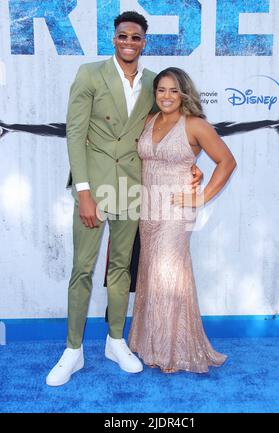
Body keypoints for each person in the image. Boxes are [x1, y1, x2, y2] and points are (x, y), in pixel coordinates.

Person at [46, 12, 202, 386]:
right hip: (95, 188)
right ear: (113, 39)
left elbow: (172, 126)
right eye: (122, 35)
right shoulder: (89, 74)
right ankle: (73, 350)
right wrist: (83, 191)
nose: (129, 41)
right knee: (82, 269)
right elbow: (75, 134)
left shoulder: (153, 83)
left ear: (144, 41)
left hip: (134, 188)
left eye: (136, 36)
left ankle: (115, 341)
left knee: (121, 270)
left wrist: (192, 167)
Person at [128, 67, 237, 373]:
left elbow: (227, 162)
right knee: (151, 273)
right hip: (148, 210)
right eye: (161, 90)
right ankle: (151, 342)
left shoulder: (195, 125)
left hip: (176, 210)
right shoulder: (149, 121)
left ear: (184, 93)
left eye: (173, 90)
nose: (166, 96)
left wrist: (201, 196)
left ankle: (171, 351)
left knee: (168, 275)